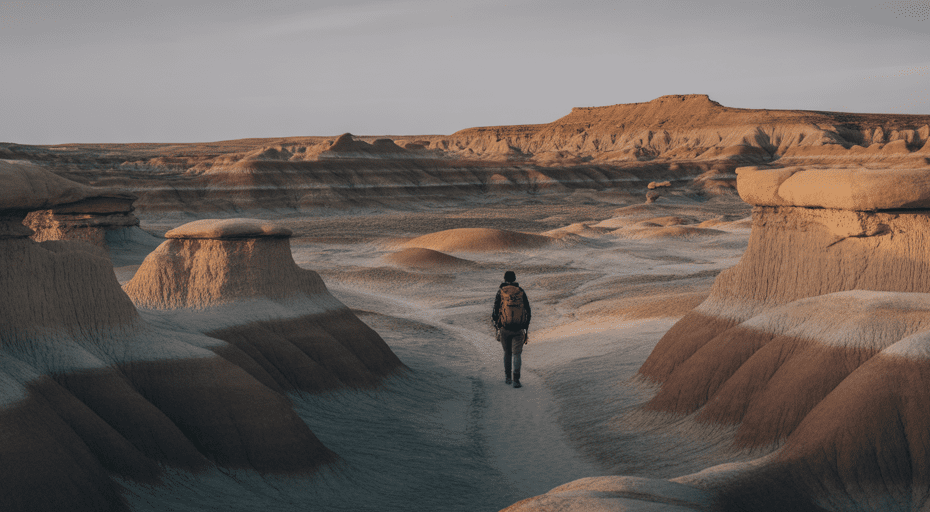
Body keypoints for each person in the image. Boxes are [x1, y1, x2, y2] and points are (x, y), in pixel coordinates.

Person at [491, 270, 531, 388]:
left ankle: (508, 377)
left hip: (505, 328)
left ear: (504, 279)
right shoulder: (521, 292)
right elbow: (528, 311)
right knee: (517, 354)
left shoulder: (501, 292)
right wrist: (525, 326)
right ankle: (516, 380)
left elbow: (495, 311)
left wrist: (498, 326)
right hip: (518, 328)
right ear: (515, 278)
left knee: (507, 353)